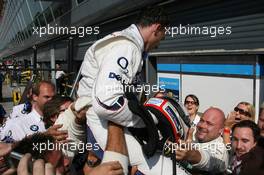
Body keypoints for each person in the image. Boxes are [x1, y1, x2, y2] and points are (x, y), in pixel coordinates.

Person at [175, 107, 229, 174]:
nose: (202, 126)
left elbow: (211, 161)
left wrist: (191, 155)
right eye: (201, 120)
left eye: (209, 124)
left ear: (221, 130)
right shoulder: (193, 133)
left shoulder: (220, 149)